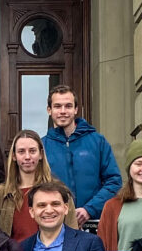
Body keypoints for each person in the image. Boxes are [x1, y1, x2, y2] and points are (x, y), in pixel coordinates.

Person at [42, 85, 122, 225]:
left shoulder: (98, 141)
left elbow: (114, 181)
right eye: (57, 106)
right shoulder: (42, 146)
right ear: (49, 110)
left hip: (94, 223)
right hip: (55, 224)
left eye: (68, 106)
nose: (63, 111)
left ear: (76, 109)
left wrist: (89, 209)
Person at [0, 130, 78, 241]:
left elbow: (73, 236)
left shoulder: (60, 192)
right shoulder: (0, 193)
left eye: (32, 151)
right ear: (14, 156)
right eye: (21, 151)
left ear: (41, 154)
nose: (27, 156)